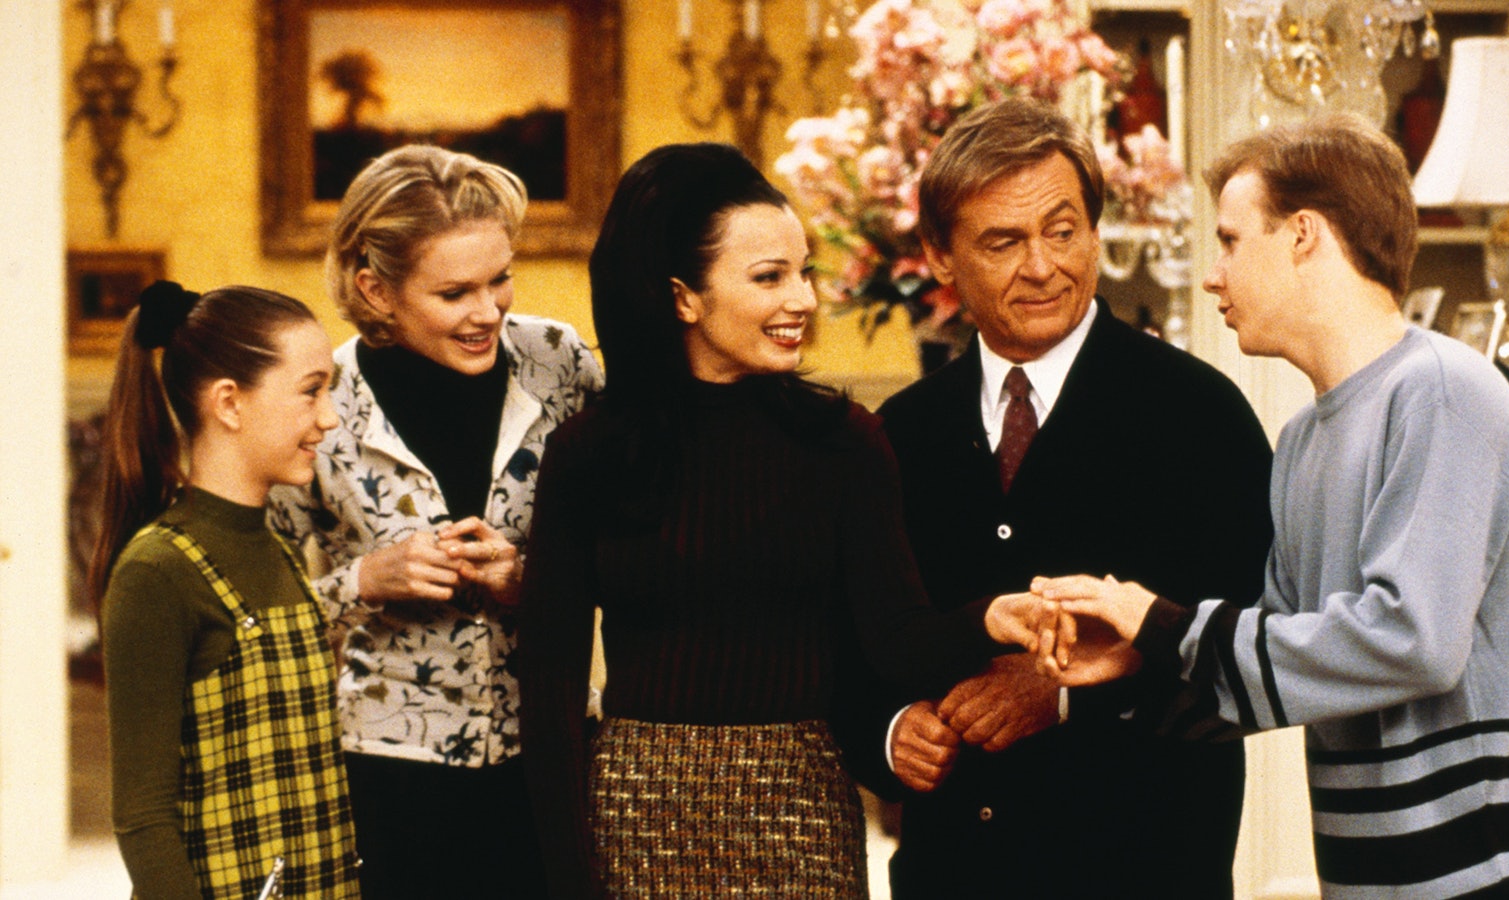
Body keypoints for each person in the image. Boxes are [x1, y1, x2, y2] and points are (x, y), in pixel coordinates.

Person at [1015, 114, 1509, 898]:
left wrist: (1165, 624)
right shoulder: (1301, 440)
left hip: (1483, 878)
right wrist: (1140, 665)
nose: (1213, 275)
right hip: (1370, 880)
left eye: (1230, 240)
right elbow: (1291, 657)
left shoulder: (1444, 390)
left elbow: (1414, 641)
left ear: (1304, 236)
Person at [518, 142, 1021, 898]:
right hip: (635, 815)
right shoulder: (588, 453)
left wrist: (994, 617)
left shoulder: (847, 442)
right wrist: (569, 883)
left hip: (800, 811)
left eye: (804, 272)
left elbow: (898, 640)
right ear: (684, 297)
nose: (804, 300)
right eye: (770, 277)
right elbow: (549, 686)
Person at [837, 97, 1276, 898]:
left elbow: (1256, 646)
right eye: (1004, 242)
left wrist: (1070, 699)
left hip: (1147, 875)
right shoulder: (893, 436)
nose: (1043, 267)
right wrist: (890, 733)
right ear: (939, 256)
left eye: (1063, 230)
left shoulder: (1199, 415)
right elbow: (847, 650)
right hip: (950, 878)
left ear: (1096, 232)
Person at [268, 144, 602, 898]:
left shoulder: (561, 363)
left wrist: (531, 579)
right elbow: (258, 615)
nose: (488, 311)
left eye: (500, 278)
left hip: (553, 756)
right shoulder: (323, 401)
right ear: (375, 290)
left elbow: (638, 546)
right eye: (455, 293)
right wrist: (363, 580)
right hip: (387, 778)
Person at [93, 281, 358, 899]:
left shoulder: (281, 553)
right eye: (311, 391)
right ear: (230, 403)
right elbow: (143, 818)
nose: (329, 417)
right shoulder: (158, 571)